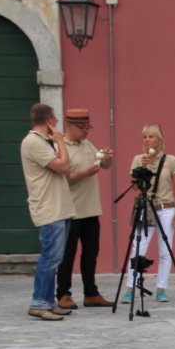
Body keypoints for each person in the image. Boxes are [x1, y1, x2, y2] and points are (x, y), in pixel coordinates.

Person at [19, 103, 74, 321]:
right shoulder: (33, 142)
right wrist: (60, 140)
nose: (57, 123)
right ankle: (39, 303)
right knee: (50, 257)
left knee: (55, 258)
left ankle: (48, 302)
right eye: (55, 119)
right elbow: (64, 166)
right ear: (49, 120)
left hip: (58, 207)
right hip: (48, 208)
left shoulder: (42, 142)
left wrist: (56, 142)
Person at [55, 109, 114, 309]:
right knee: (67, 255)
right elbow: (61, 179)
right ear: (70, 126)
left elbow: (104, 166)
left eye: (88, 127)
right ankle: (63, 293)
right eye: (83, 128)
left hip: (91, 210)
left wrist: (107, 158)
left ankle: (91, 293)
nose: (86, 131)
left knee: (91, 254)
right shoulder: (61, 147)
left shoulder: (87, 144)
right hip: (70, 211)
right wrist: (84, 173)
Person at [125, 123, 175, 303]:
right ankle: (130, 288)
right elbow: (134, 188)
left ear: (160, 139)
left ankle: (161, 288)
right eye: (145, 137)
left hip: (166, 208)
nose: (147, 140)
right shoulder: (138, 159)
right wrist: (141, 169)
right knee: (138, 247)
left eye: (151, 136)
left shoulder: (171, 160)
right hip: (146, 207)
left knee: (165, 250)